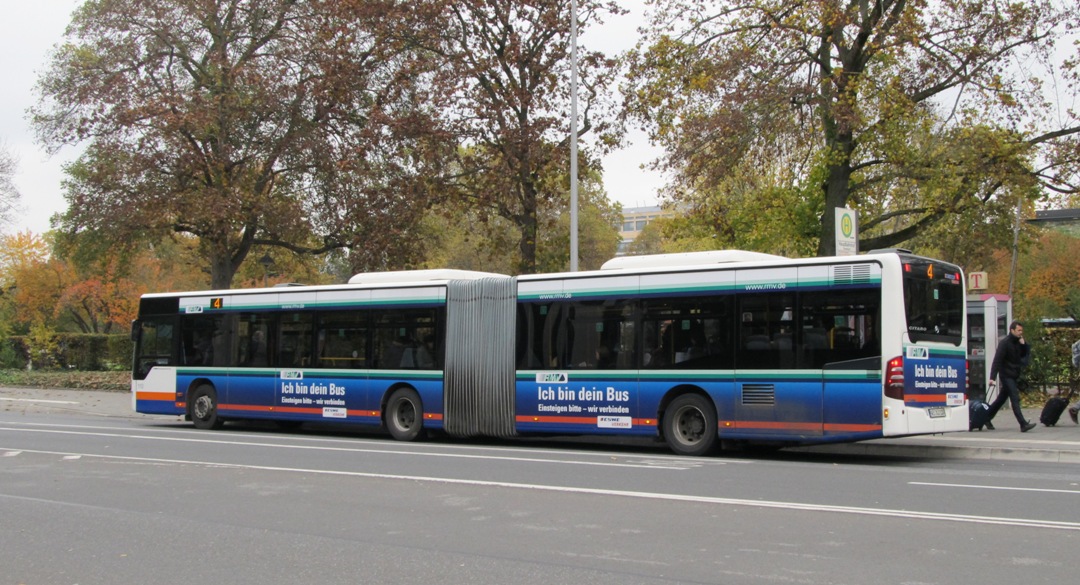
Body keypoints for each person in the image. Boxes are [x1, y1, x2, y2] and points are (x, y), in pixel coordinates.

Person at [985, 320, 1035, 432]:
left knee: (1001, 399)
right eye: (1018, 330)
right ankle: (1023, 424)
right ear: (1012, 330)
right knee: (1015, 398)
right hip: (1006, 375)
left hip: (1014, 374)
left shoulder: (1018, 342)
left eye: (1021, 330)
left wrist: (1024, 345)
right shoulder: (1005, 343)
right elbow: (997, 360)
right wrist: (992, 378)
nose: (1020, 333)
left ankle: (986, 417)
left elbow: (1024, 357)